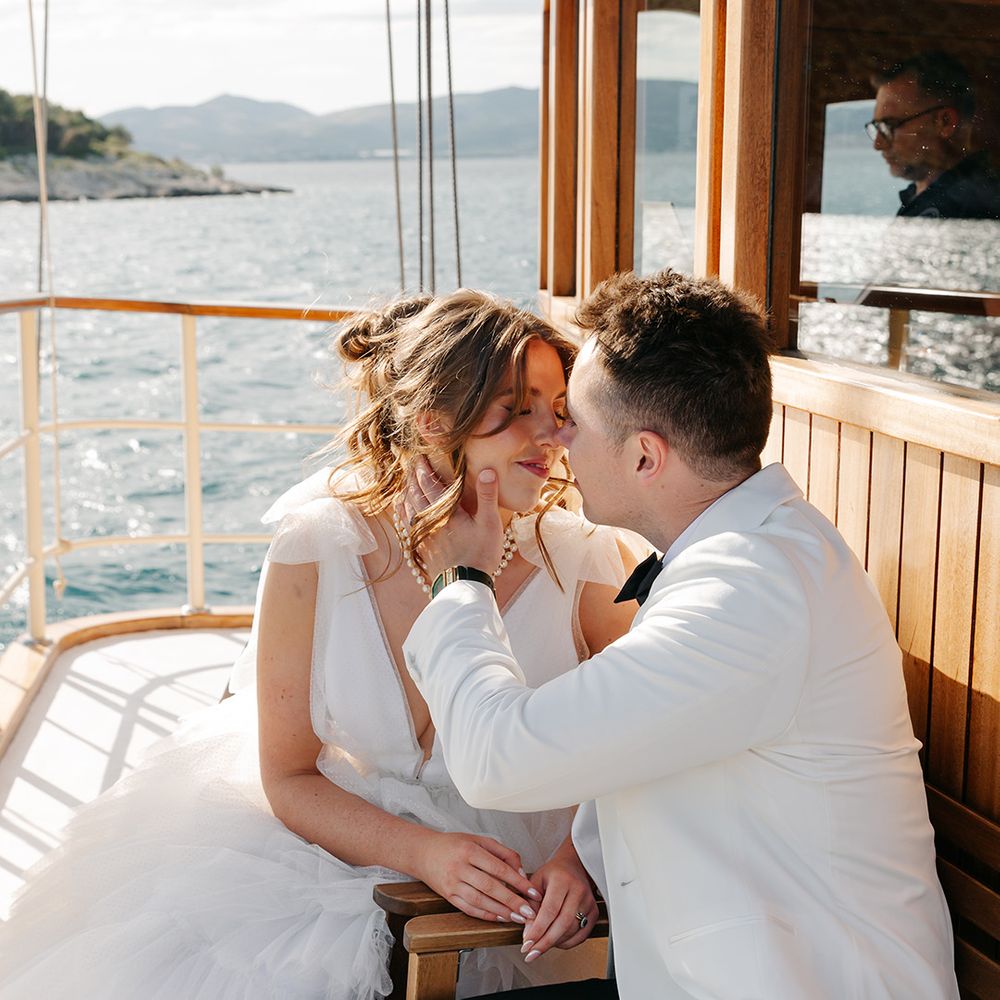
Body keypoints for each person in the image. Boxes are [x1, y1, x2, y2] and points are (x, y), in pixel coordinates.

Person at [0, 291, 640, 999]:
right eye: (521, 409)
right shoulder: (316, 547)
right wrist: (426, 853)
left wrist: (576, 858)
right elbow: (288, 775)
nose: (555, 435)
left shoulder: (582, 562)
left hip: (521, 889)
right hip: (328, 850)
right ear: (433, 420)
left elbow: (640, 744)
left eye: (561, 409)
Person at [402, 270, 960, 999]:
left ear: (644, 456)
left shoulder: (747, 595)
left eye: (575, 421)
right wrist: (580, 855)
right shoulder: (748, 554)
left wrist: (461, 580)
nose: (558, 439)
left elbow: (495, 760)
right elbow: (659, 735)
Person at [866, 51, 1000, 219]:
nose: (878, 144)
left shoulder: (971, 207)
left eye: (889, 126)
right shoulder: (926, 196)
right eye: (877, 127)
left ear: (944, 122)